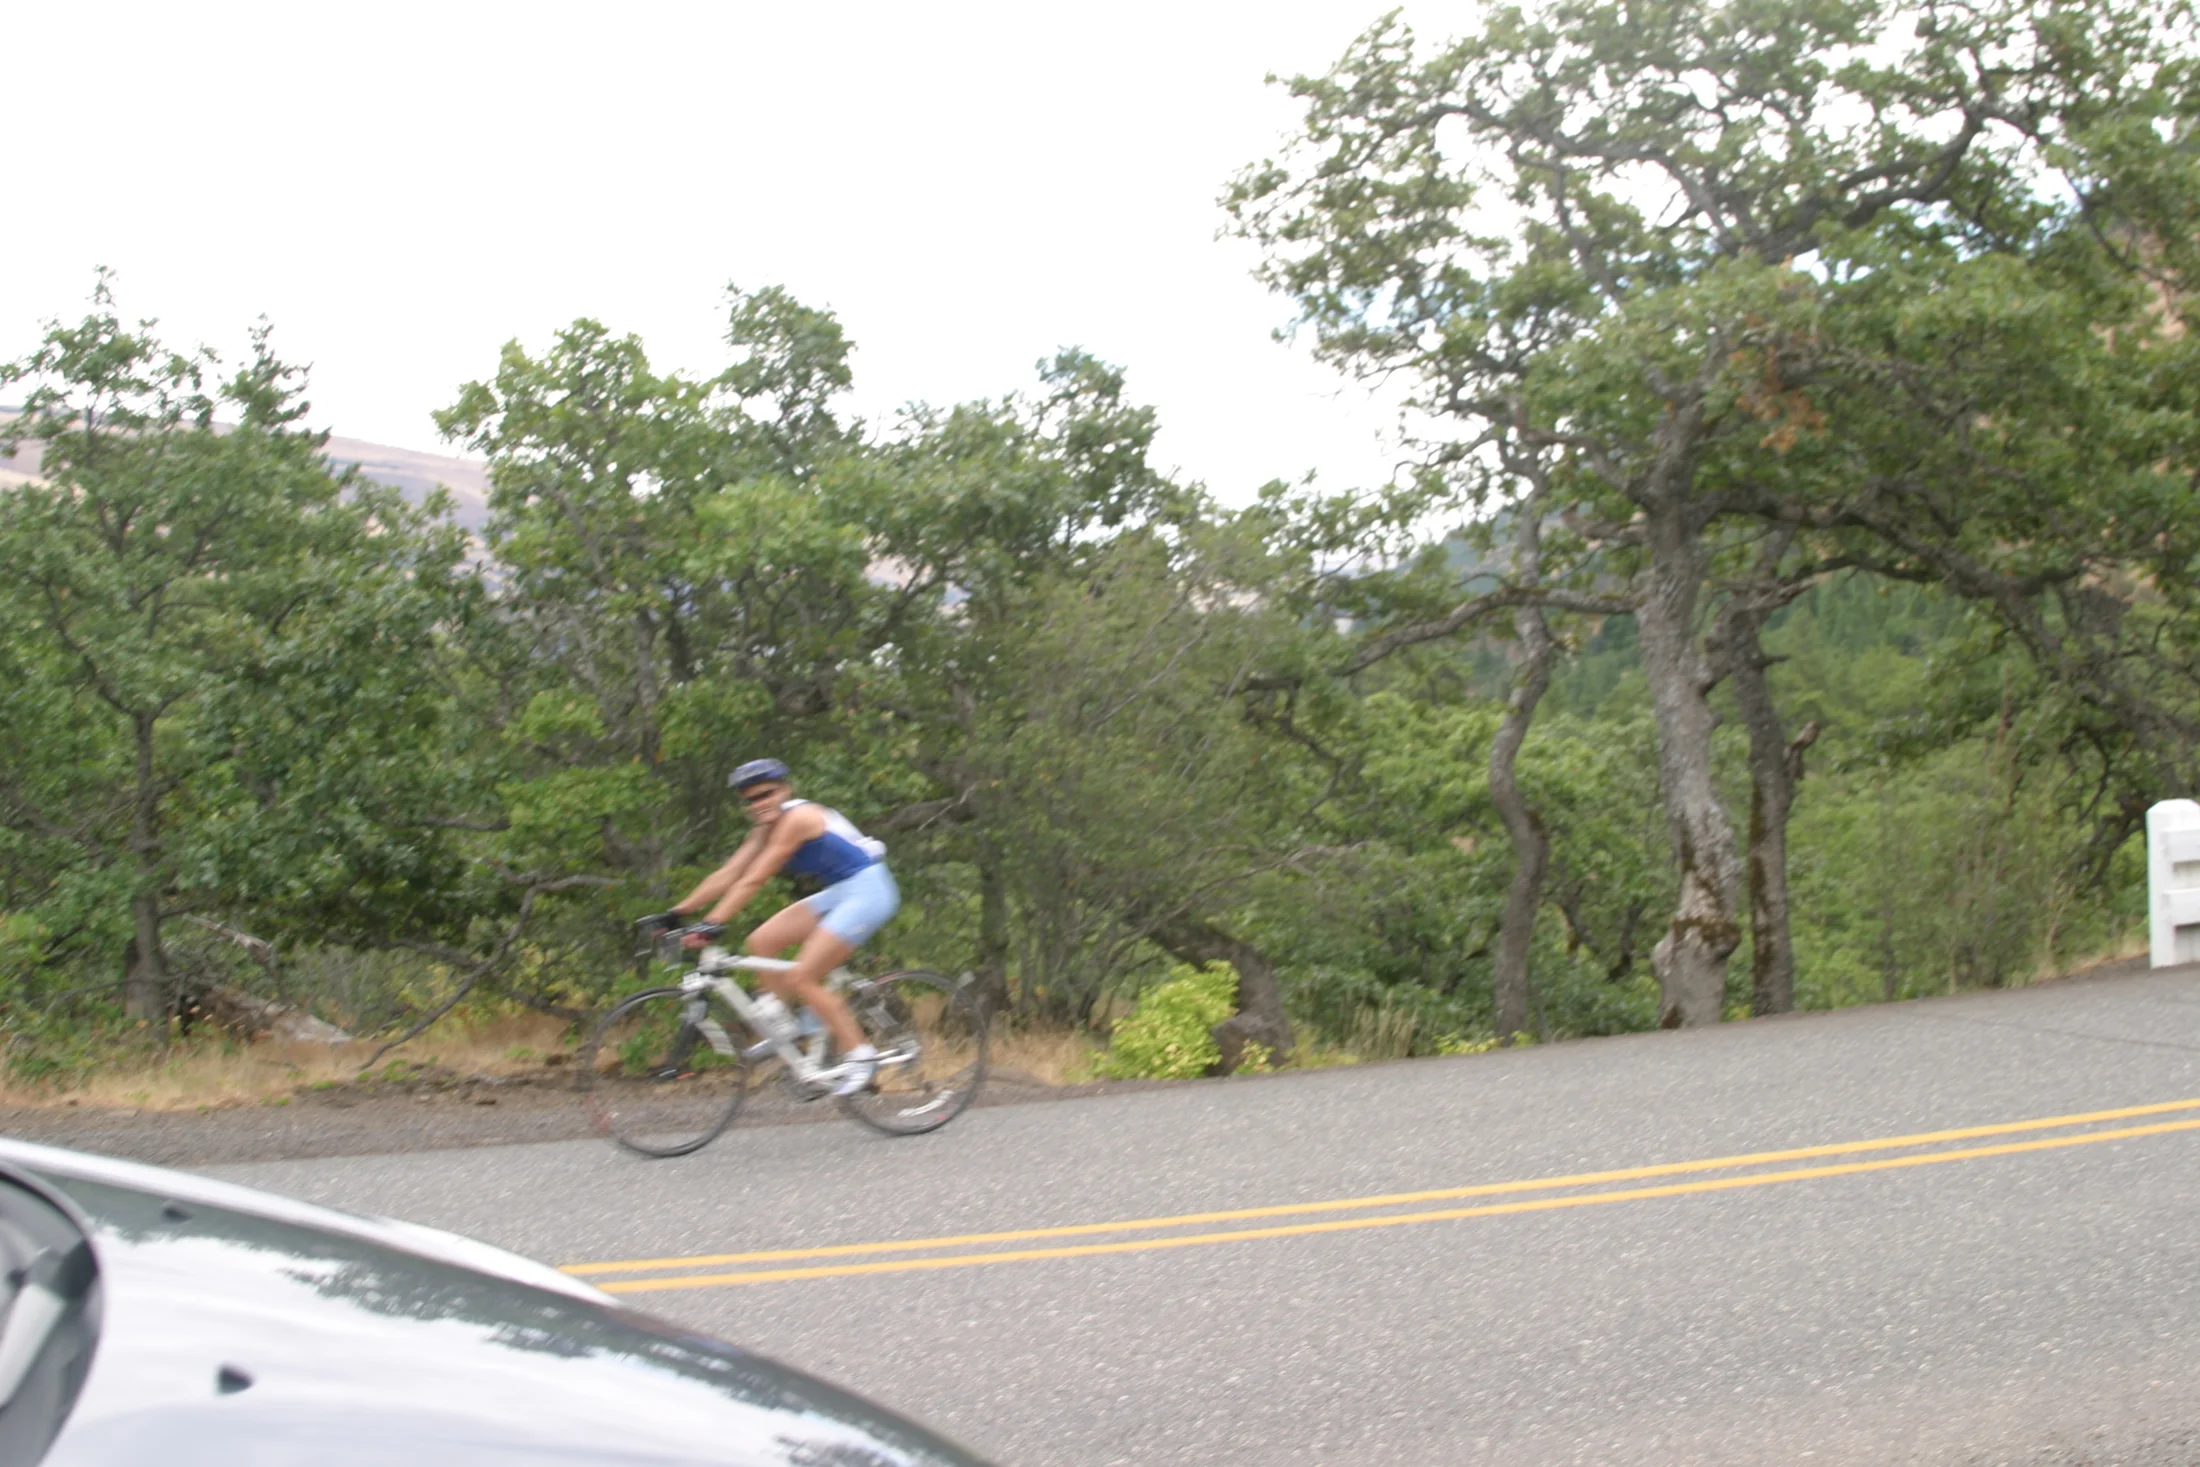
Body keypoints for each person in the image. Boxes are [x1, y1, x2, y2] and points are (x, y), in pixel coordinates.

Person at [645, 760, 900, 1096]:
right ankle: (785, 1032)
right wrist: (677, 912)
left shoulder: (798, 819)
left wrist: (713, 922)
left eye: (766, 794)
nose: (759, 804)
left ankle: (862, 1057)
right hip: (841, 892)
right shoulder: (763, 830)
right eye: (751, 800)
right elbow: (728, 874)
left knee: (802, 977)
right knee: (761, 941)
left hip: (869, 891)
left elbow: (754, 879)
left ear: (785, 790)